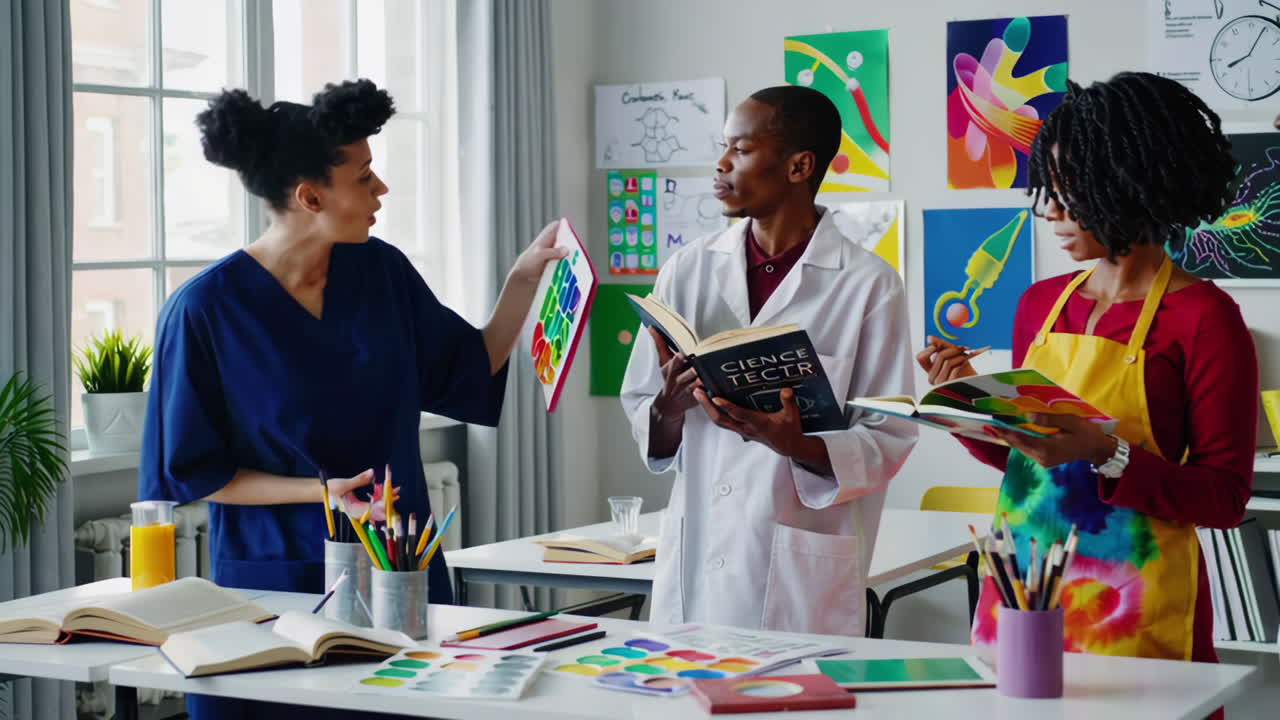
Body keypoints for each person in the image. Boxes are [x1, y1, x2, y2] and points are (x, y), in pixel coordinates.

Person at [138, 79, 564, 719]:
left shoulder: (382, 271)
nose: (381, 190)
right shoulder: (204, 312)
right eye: (364, 177)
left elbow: (467, 365)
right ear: (312, 196)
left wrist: (523, 278)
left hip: (398, 572)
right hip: (271, 592)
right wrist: (322, 492)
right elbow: (196, 474)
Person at [918, 72, 1256, 683]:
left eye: (1070, 188)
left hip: (1133, 595)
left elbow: (1225, 499)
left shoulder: (1205, 318)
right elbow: (1032, 461)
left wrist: (1110, 453)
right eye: (1048, 185)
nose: (1050, 209)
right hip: (1024, 583)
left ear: (1133, 182)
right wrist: (966, 404)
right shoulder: (1040, 304)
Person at [620, 86, 918, 637]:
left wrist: (794, 443)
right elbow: (643, 405)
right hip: (697, 559)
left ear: (799, 165)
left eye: (741, 149)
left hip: (796, 567)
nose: (721, 164)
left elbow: (889, 436)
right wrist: (666, 407)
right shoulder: (687, 270)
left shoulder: (868, 285)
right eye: (722, 147)